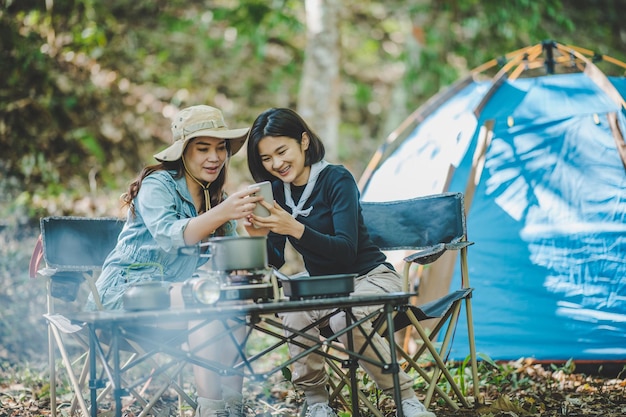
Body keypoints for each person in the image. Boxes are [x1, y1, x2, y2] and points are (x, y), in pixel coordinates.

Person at [244, 108, 436, 417]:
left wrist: (294, 227)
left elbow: (346, 251)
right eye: (266, 159)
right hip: (326, 288)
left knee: (344, 319)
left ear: (303, 141)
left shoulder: (336, 179)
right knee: (294, 316)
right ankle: (318, 404)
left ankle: (406, 399)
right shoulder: (276, 192)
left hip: (370, 277)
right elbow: (274, 260)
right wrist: (259, 235)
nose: (276, 164)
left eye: (282, 151)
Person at [87, 104, 261, 417]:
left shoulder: (214, 197)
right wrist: (223, 212)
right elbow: (172, 234)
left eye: (221, 148)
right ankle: (211, 410)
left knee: (233, 301)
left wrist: (253, 232)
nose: (215, 157)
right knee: (203, 299)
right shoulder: (158, 185)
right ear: (183, 152)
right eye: (203, 148)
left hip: (174, 299)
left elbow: (237, 256)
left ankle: (232, 406)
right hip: (124, 293)